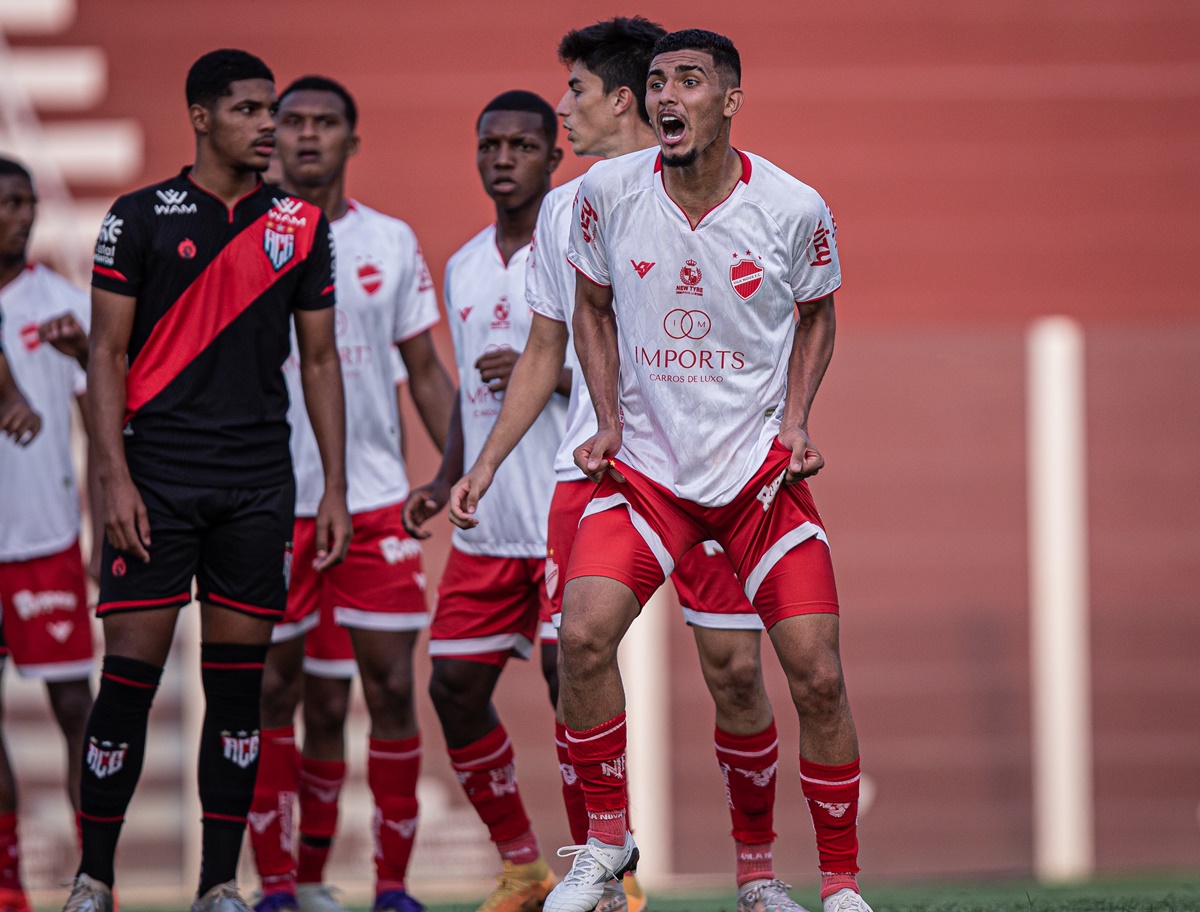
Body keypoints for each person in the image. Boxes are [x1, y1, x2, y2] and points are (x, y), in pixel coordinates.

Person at [446, 19, 788, 912]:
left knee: (737, 672)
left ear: (625, 99)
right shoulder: (572, 207)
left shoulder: (740, 198)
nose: (564, 111)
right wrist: (483, 465)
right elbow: (542, 349)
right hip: (599, 476)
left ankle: (757, 875)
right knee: (576, 659)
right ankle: (604, 872)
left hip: (720, 475)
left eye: (577, 94)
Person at [542, 28, 873, 912]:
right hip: (650, 476)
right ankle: (605, 847)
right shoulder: (605, 194)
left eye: (689, 81)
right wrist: (610, 419)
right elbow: (591, 305)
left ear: (728, 100)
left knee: (817, 674)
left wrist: (798, 421)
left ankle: (835, 884)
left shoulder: (794, 206)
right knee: (580, 636)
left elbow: (818, 316)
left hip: (759, 485)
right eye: (656, 82)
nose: (666, 97)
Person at [63, 49, 352, 912]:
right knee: (127, 685)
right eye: (249, 109)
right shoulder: (139, 215)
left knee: (242, 689)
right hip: (155, 481)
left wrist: (331, 486)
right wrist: (110, 480)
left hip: (259, 484)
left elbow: (322, 359)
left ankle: (218, 885)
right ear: (199, 117)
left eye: (273, 109)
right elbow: (105, 357)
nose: (270, 125)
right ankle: (94, 880)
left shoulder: (299, 224)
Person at [247, 75, 456, 912]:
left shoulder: (392, 243)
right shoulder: (243, 238)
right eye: (290, 122)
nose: (305, 137)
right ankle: (281, 888)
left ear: (350, 142)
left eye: (323, 124)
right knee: (280, 691)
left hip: (372, 499)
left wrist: (460, 473)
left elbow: (427, 373)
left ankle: (392, 888)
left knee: (392, 689)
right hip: (267, 500)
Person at [401, 90, 567, 912]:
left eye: (522, 146)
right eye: (490, 145)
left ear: (554, 157)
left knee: (574, 680)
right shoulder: (464, 264)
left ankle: (612, 864)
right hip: (489, 528)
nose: (503, 159)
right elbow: (470, 395)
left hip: (569, 516)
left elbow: (638, 373)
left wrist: (553, 375)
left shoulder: (580, 250)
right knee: (453, 689)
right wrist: (444, 478)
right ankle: (523, 867)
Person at [0, 156, 96, 912]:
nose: (18, 216)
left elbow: (108, 422)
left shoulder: (65, 304)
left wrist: (103, 521)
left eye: (25, 202)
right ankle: (8, 884)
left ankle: (95, 876)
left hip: (46, 540)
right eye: (3, 203)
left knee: (77, 709)